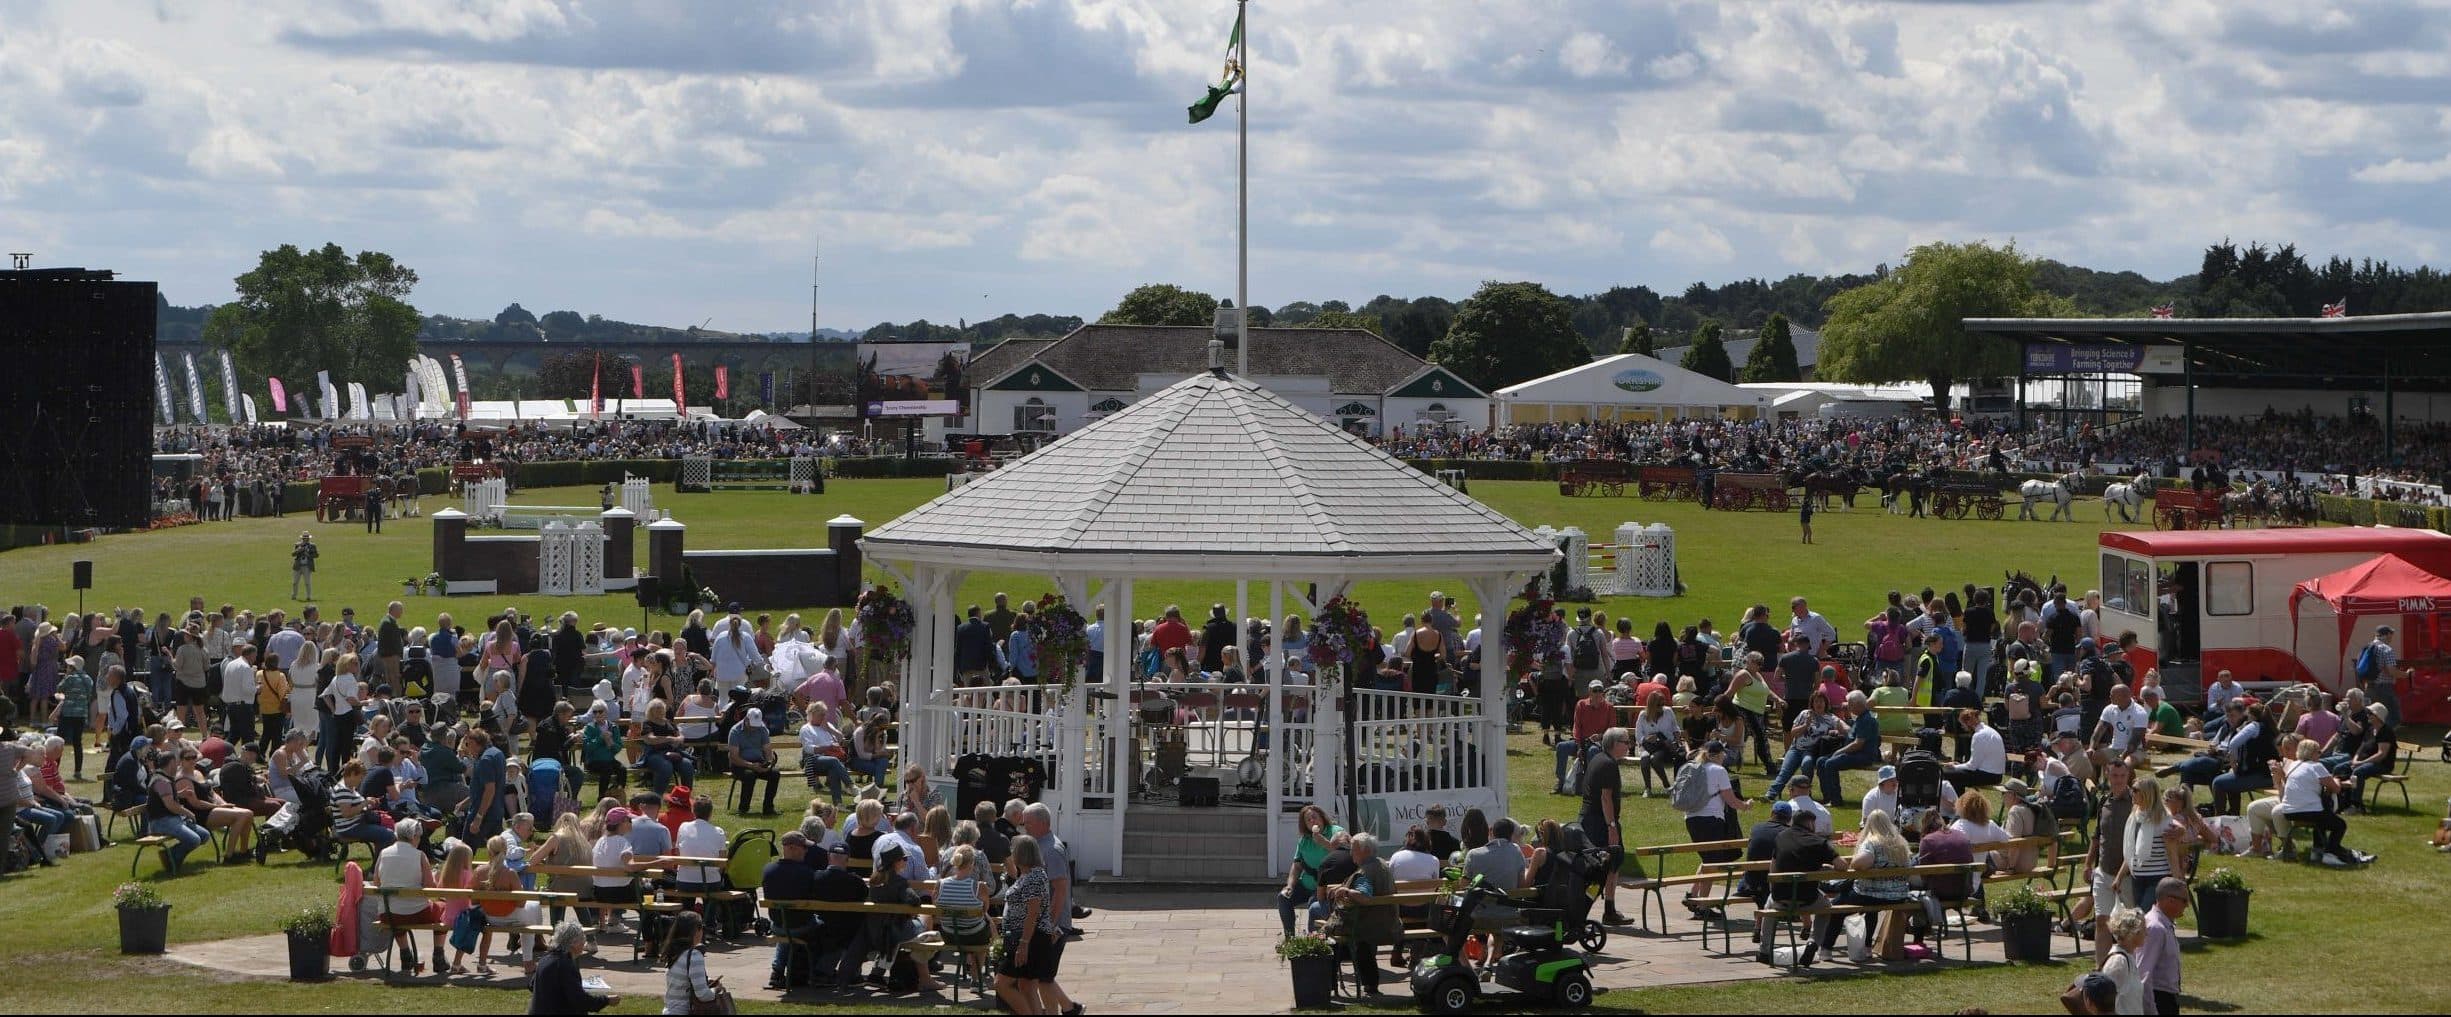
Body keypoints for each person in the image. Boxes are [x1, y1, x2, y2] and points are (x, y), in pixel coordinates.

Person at [2274, 738, 2365, 866]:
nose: (2320, 754)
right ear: (2312, 753)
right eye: (2318, 752)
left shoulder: (2294, 765)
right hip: (2309, 811)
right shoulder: (2316, 766)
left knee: (2323, 819)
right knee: (2340, 825)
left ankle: (2319, 850)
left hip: (2289, 811)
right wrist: (2337, 779)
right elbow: (2336, 788)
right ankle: (2331, 851)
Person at [998, 833, 1060, 1015]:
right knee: (1026, 985)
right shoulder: (1027, 874)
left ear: (1021, 853)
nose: (1011, 854)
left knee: (1001, 983)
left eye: (1013, 850)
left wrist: (1023, 944)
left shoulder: (1034, 876)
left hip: (1031, 938)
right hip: (1026, 937)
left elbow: (1032, 913)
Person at [1579, 727, 1631, 923]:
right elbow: (1605, 798)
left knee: (1607, 866)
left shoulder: (1599, 759)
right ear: (1614, 744)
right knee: (1605, 865)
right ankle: (1600, 910)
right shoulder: (1608, 764)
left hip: (1591, 819)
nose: (1629, 746)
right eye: (1626, 742)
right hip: (1600, 822)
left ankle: (1608, 908)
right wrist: (1611, 826)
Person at [1278, 804, 1341, 937]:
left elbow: (1344, 852)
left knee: (1314, 903)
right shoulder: (1304, 840)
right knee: (1283, 898)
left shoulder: (1336, 831)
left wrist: (1323, 842)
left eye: (1314, 817)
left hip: (1325, 886)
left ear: (1322, 818)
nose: (1312, 821)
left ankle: (1314, 942)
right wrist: (1290, 885)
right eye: (1308, 820)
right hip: (1307, 883)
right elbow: (1297, 865)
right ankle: (1290, 937)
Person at [529, 920, 617, 1014]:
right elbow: (581, 1001)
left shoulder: (545, 959)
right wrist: (606, 1000)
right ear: (572, 943)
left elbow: (531, 985)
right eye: (582, 938)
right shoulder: (565, 965)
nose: (584, 942)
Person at [1816, 690, 1884, 806]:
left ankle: (1836, 800)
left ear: (1857, 705)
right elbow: (1852, 736)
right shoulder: (1860, 717)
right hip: (1855, 753)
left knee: (1830, 764)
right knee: (1821, 761)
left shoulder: (1867, 719)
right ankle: (1828, 797)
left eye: (1850, 705)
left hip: (1864, 755)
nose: (1848, 708)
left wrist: (1839, 751)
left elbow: (1858, 744)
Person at [2138, 877, 2187, 1016]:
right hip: (2159, 1000)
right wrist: (2151, 1011)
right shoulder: (2155, 928)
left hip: (2167, 998)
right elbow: (2143, 975)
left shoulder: (2165, 925)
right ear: (2170, 900)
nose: (2187, 905)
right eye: (2184, 900)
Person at [1554, 680, 1613, 795]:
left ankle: (1590, 785)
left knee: (1593, 751)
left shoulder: (1609, 707)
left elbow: (1611, 730)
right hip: (1581, 741)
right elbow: (1577, 727)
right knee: (1561, 746)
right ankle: (1560, 781)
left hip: (1599, 743)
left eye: (1600, 690)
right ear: (1589, 692)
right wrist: (1579, 746)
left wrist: (1600, 736)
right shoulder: (1581, 704)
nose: (1597, 693)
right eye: (1595, 690)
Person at [660, 911, 723, 1015]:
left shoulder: (674, 952)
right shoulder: (694, 955)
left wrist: (706, 979)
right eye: (701, 926)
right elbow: (702, 995)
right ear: (696, 931)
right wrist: (716, 990)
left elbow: (682, 979)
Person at [726, 707, 781, 815]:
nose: (754, 728)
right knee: (749, 775)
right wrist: (751, 766)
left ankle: (768, 808)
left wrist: (769, 763)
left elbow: (767, 750)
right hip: (739, 764)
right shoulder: (735, 731)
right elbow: (734, 757)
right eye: (752, 725)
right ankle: (743, 809)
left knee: (775, 773)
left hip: (758, 762)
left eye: (756, 726)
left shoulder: (762, 729)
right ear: (746, 719)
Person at [2096, 907, 2149, 1016]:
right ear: (2133, 932)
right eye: (2144, 928)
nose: (2147, 933)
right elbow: (2103, 1002)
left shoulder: (2129, 957)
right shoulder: (2118, 962)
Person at [1944, 708, 2008, 789]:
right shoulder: (1989, 731)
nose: (1962, 727)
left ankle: (1958, 800)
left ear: (1968, 723)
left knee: (1947, 773)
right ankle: (1959, 800)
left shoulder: (1979, 736)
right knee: (1956, 775)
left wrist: (1955, 767)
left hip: (1989, 776)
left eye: (1962, 724)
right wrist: (1960, 766)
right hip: (1997, 775)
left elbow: (1972, 766)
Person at [291, 533, 318, 600]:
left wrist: (308, 555)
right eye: (304, 538)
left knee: (307, 583)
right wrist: (298, 550)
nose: (305, 539)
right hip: (298, 566)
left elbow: (316, 555)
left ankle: (308, 596)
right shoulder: (297, 545)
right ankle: (294, 595)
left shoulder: (312, 546)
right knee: (295, 582)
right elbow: (293, 554)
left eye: (307, 538)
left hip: (307, 566)